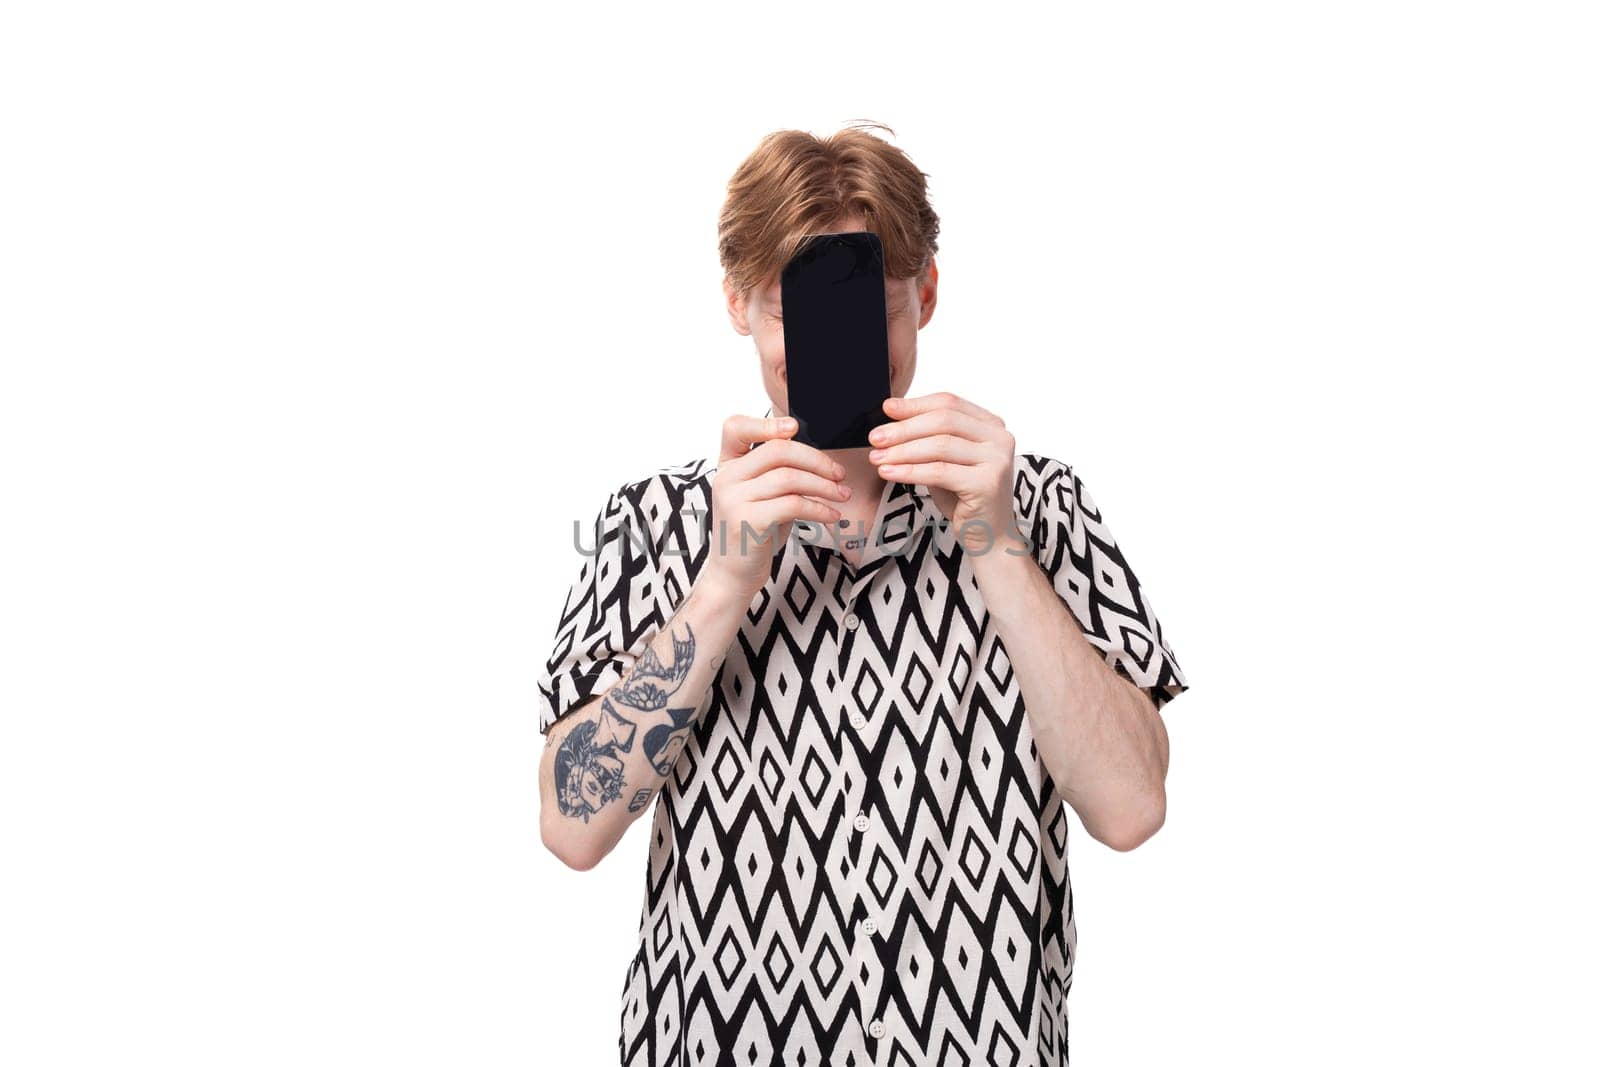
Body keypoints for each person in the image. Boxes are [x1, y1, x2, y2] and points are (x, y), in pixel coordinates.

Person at [535, 122, 1189, 1067]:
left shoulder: (1040, 505)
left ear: (925, 293)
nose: (826, 348)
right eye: (785, 310)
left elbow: (1132, 809)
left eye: (869, 309)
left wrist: (997, 543)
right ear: (735, 306)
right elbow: (569, 825)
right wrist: (723, 576)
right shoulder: (652, 521)